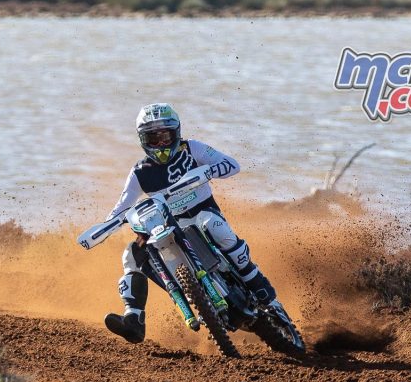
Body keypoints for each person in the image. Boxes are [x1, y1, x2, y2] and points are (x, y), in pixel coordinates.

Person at [104, 103, 290, 344]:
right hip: (168, 228)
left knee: (213, 225)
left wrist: (208, 172)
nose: (161, 144)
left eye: (166, 136)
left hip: (204, 215)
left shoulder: (192, 149)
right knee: (131, 255)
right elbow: (122, 206)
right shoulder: (140, 171)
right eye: (153, 138)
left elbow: (232, 165)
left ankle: (263, 293)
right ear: (143, 139)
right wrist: (104, 227)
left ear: (176, 133)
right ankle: (134, 319)